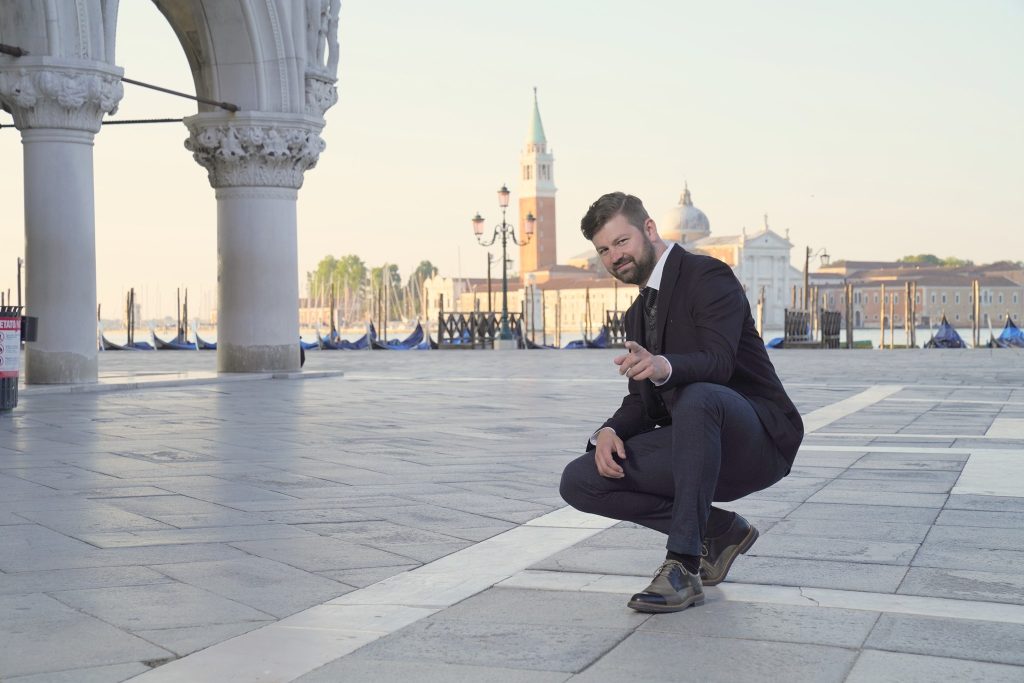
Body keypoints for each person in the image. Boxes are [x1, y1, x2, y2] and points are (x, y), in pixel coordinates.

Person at [560, 192, 803, 613]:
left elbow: (720, 361)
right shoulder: (637, 314)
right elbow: (645, 403)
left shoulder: (708, 275)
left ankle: (684, 565)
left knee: (698, 395)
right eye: (603, 250)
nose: (614, 256)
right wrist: (609, 431)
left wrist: (662, 366)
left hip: (757, 441)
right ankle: (719, 529)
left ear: (649, 230)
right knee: (581, 478)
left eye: (621, 242)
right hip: (696, 445)